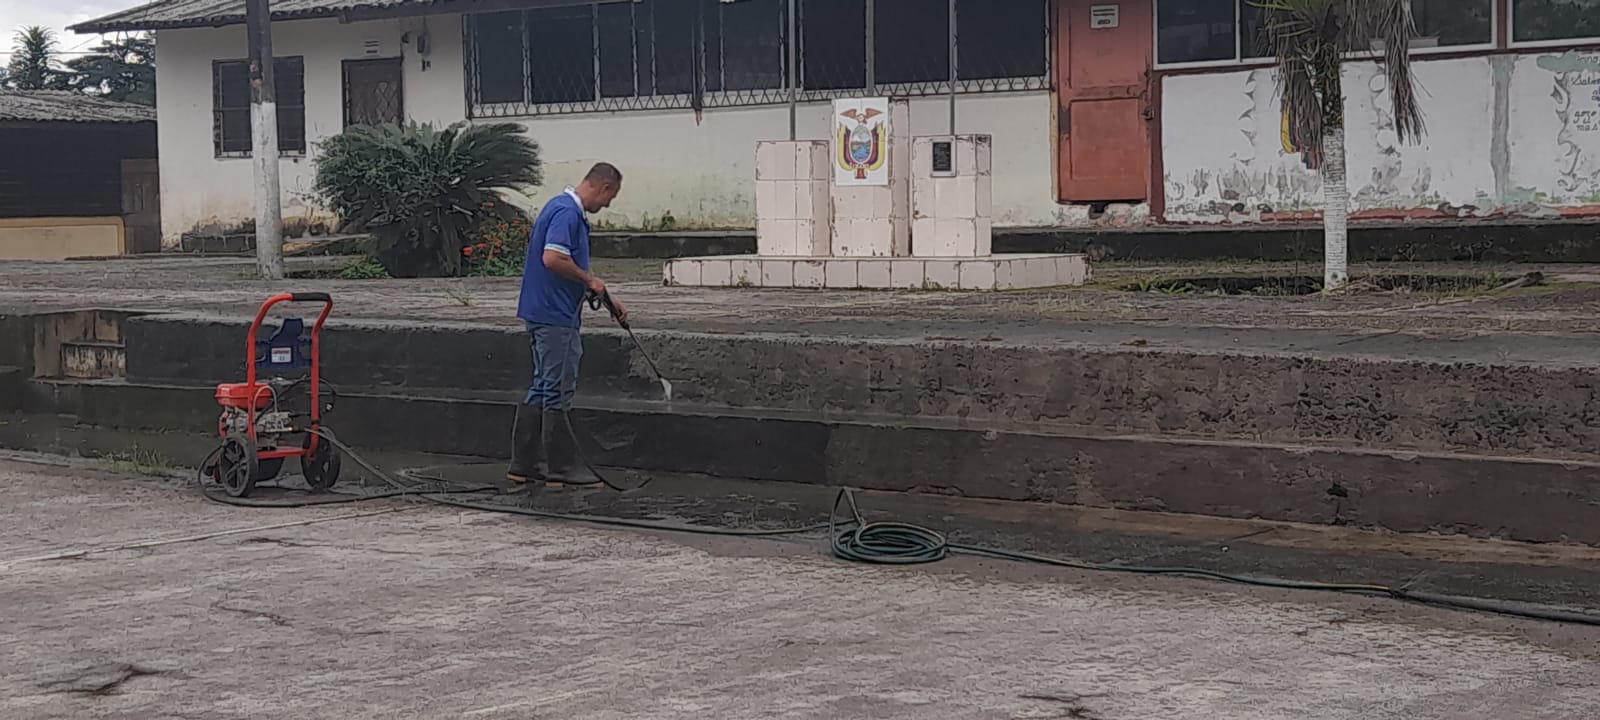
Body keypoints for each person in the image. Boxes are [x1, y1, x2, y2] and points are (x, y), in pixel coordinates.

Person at [507, 162, 626, 486]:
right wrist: (588, 279)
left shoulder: (557, 206)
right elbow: (553, 258)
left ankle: (524, 464)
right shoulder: (568, 213)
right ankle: (560, 468)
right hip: (555, 316)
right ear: (603, 187)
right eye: (610, 197)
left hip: (542, 312)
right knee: (558, 387)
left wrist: (604, 295)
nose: (608, 204)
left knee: (544, 384)